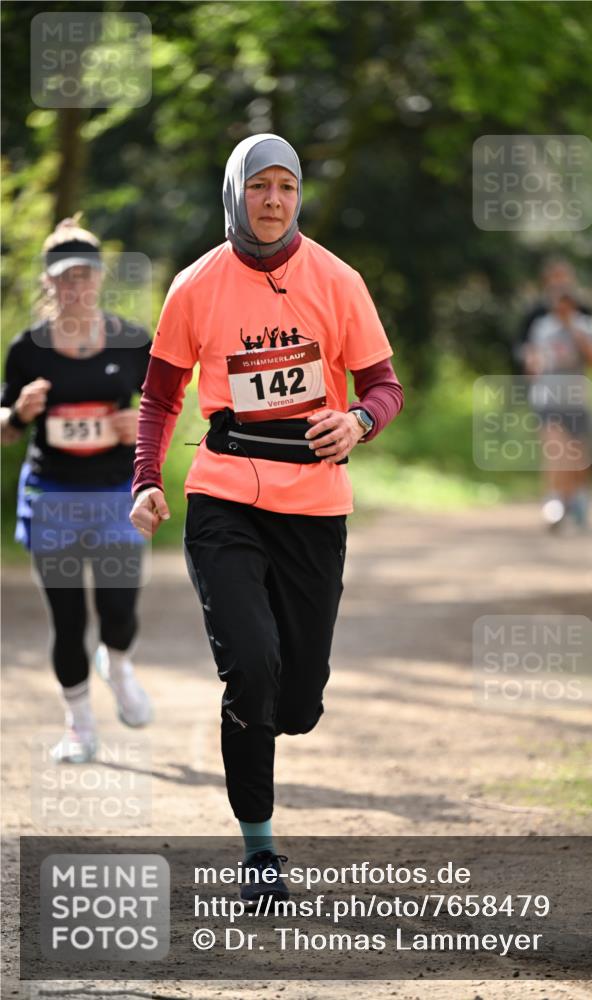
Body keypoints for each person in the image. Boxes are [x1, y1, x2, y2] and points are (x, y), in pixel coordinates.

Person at [130, 134, 404, 904]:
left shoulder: (338, 280)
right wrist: (146, 480)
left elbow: (384, 385)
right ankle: (259, 851)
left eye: (286, 186)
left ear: (299, 195)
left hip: (314, 504)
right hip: (224, 498)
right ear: (235, 193)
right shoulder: (195, 286)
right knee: (249, 667)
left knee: (298, 698)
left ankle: (279, 713)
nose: (274, 199)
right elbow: (159, 400)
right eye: (260, 186)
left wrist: (357, 421)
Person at [0, 216, 153, 763]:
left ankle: (118, 663)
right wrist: (17, 411)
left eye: (85, 276)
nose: (76, 288)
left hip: (116, 494)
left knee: (119, 612)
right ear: (49, 284)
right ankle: (79, 725)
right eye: (65, 279)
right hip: (53, 496)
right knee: (68, 620)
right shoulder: (27, 352)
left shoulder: (134, 343)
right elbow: (6, 428)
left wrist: (140, 423)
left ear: (99, 278)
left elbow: (165, 407)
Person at [522, 287, 592, 530]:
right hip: (548, 398)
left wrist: (573, 331)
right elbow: (532, 359)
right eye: (557, 305)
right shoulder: (541, 327)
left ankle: (578, 497)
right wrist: (532, 366)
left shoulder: (586, 325)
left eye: (566, 305)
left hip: (576, 399)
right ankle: (555, 500)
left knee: (578, 456)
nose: (561, 310)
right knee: (556, 451)